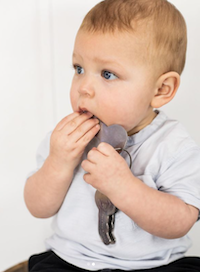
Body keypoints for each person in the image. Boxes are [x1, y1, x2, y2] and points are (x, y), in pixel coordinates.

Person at [24, 0, 200, 271]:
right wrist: (57, 163)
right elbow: (38, 207)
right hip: (72, 260)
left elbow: (181, 222)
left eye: (108, 74)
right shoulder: (67, 139)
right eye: (78, 68)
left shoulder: (173, 146)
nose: (84, 88)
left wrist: (124, 187)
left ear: (161, 89)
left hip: (153, 265)